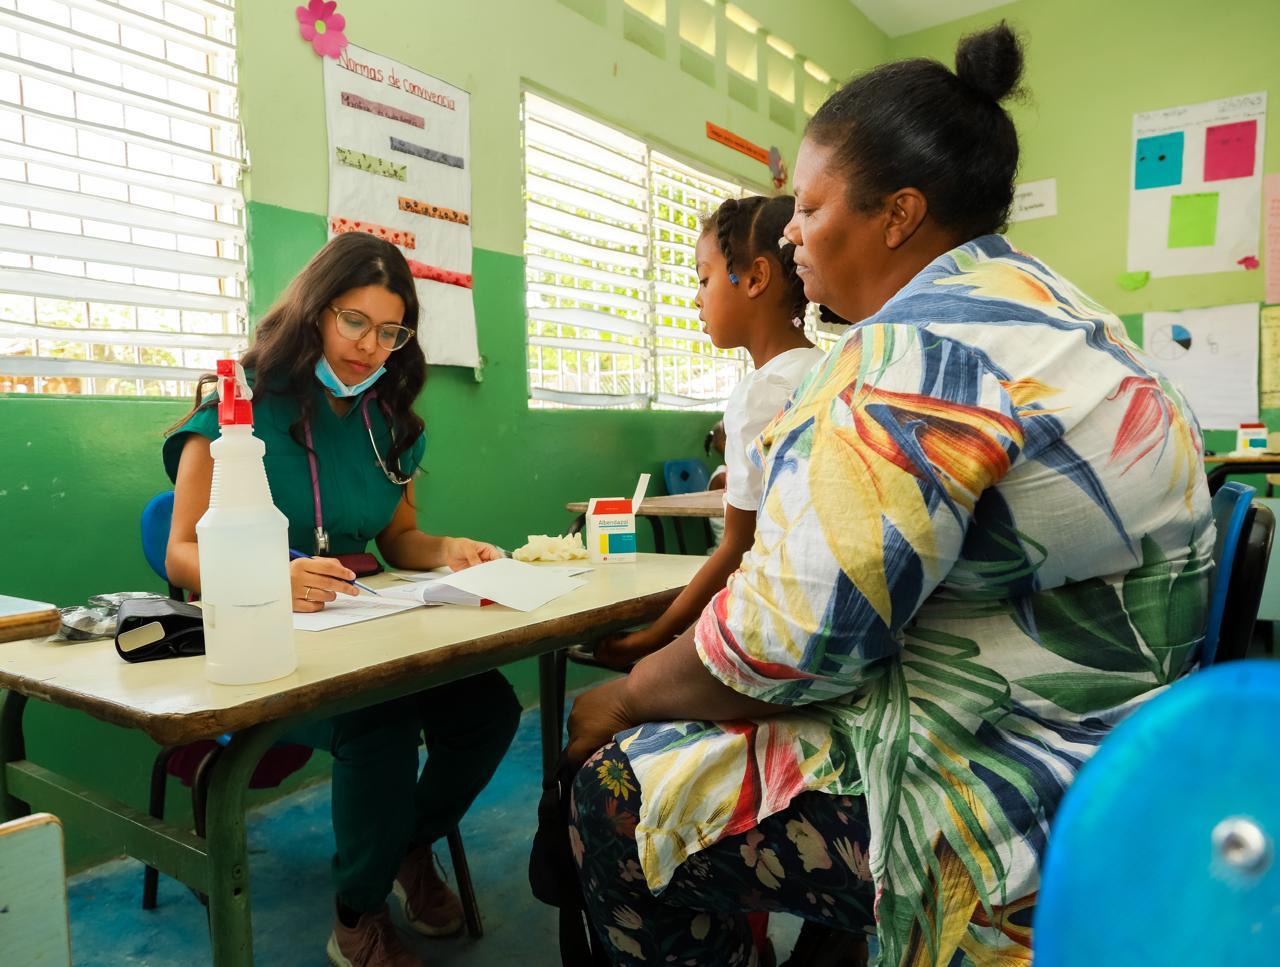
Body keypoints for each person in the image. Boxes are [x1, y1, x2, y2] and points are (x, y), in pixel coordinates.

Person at [564, 22, 1212, 967]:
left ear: (898, 215)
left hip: (1024, 785)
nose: (789, 228)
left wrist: (623, 697)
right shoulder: (1064, 314)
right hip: (1141, 742)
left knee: (612, 798)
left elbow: (785, 644)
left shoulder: (916, 359)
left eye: (812, 203)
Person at [164, 232, 521, 967]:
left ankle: (405, 847)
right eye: (354, 321)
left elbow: (401, 539)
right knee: (378, 718)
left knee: (488, 708)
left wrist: (449, 547)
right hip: (266, 631)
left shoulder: (386, 419)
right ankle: (356, 913)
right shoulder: (239, 408)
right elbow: (181, 553)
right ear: (314, 312)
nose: (370, 346)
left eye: (391, 331)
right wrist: (269, 577)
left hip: (364, 619)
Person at [594, 196, 825, 670]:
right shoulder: (827, 367)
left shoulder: (760, 394)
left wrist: (655, 636)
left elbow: (737, 548)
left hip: (777, 627)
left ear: (756, 278)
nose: (696, 297)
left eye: (704, 278)